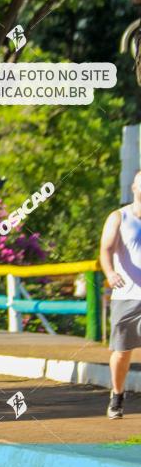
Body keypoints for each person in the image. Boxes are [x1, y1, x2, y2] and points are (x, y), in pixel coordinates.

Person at [99, 169, 141, 419]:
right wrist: (110, 272)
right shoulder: (119, 217)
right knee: (123, 351)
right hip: (127, 294)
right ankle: (117, 395)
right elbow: (105, 249)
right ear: (134, 188)